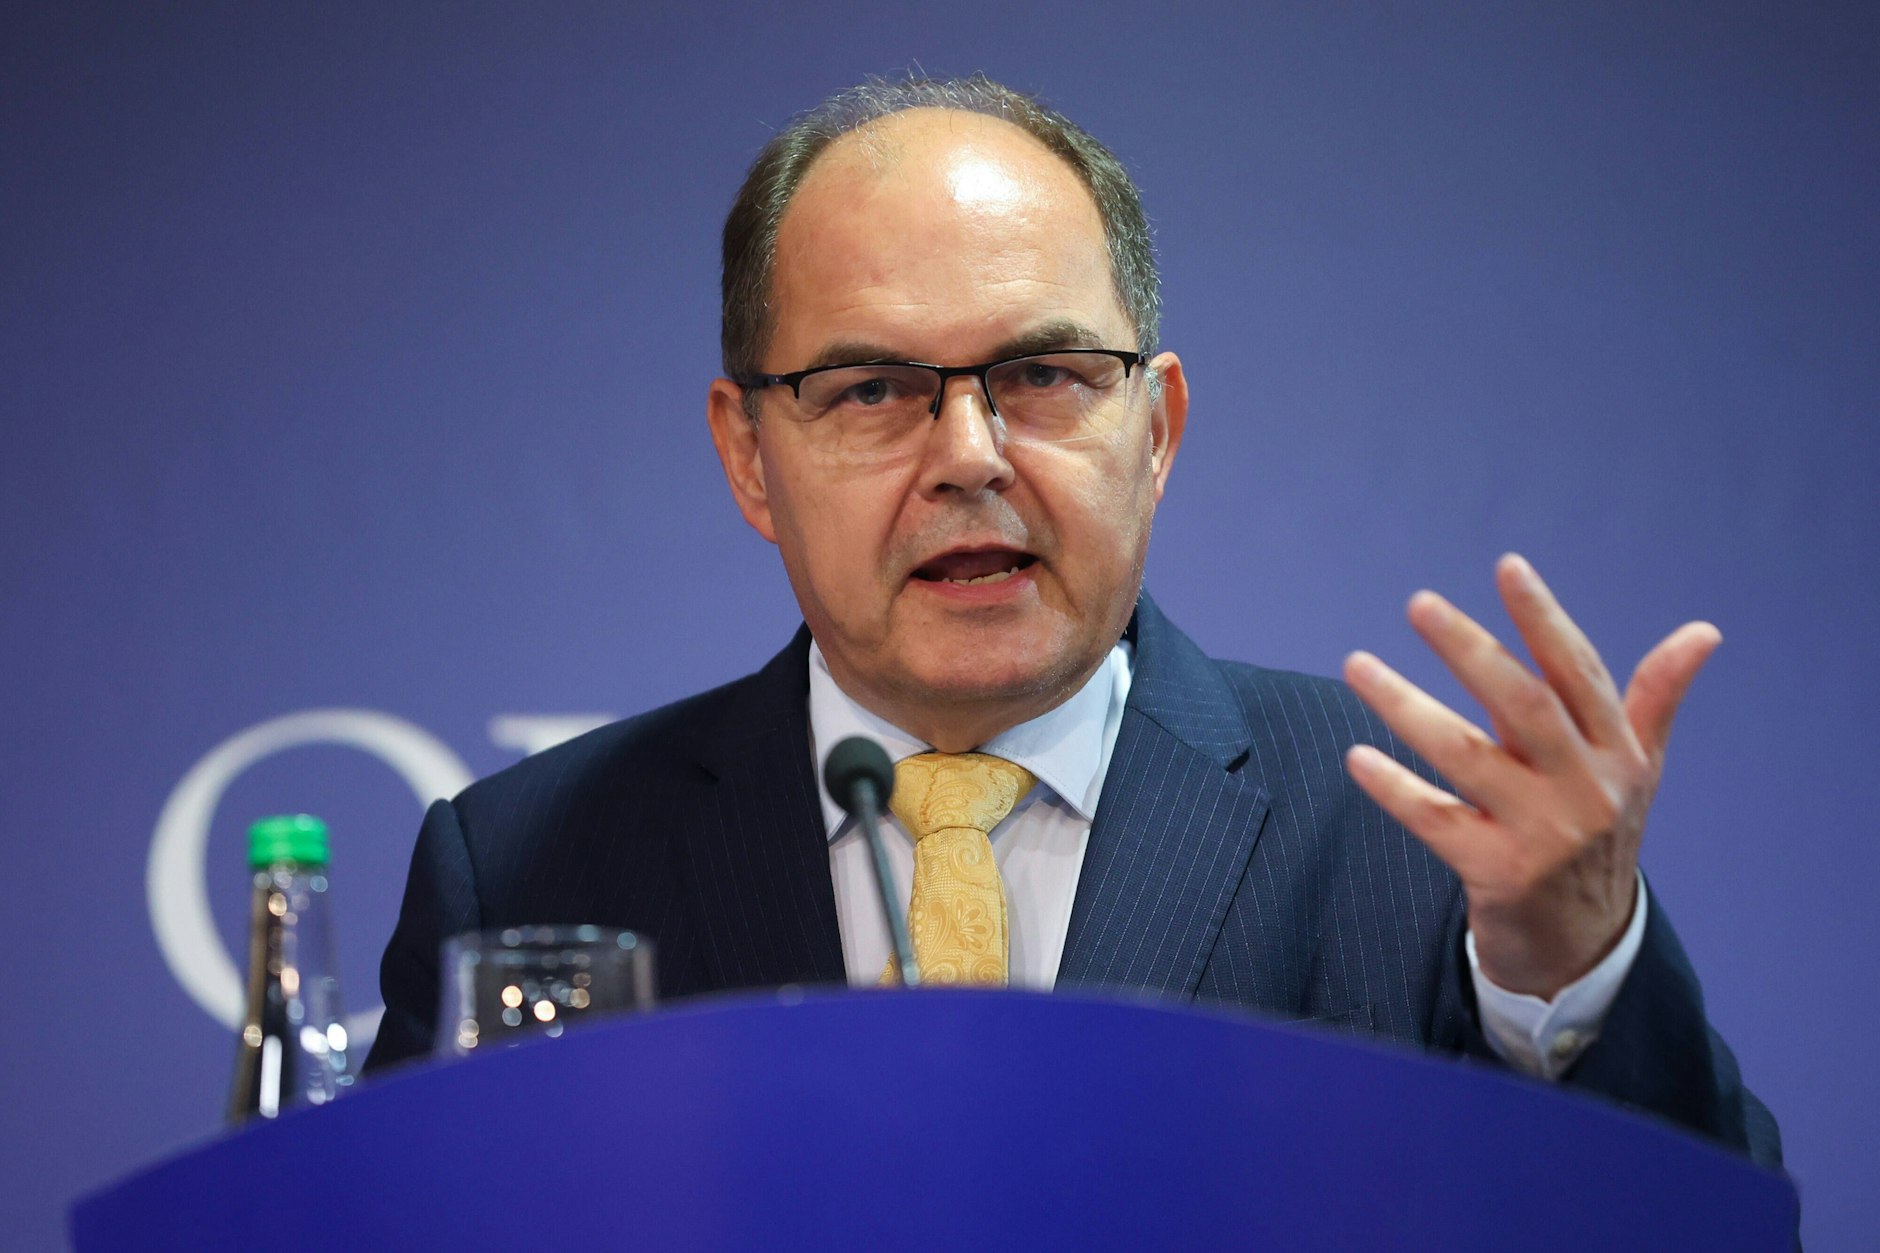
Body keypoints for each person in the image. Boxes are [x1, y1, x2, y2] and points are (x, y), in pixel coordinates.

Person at [365, 75, 1778, 1164]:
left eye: (1042, 374)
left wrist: (1573, 966)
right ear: (749, 456)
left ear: (1154, 427)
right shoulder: (532, 865)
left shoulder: (1411, 828)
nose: (970, 452)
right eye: (869, 390)